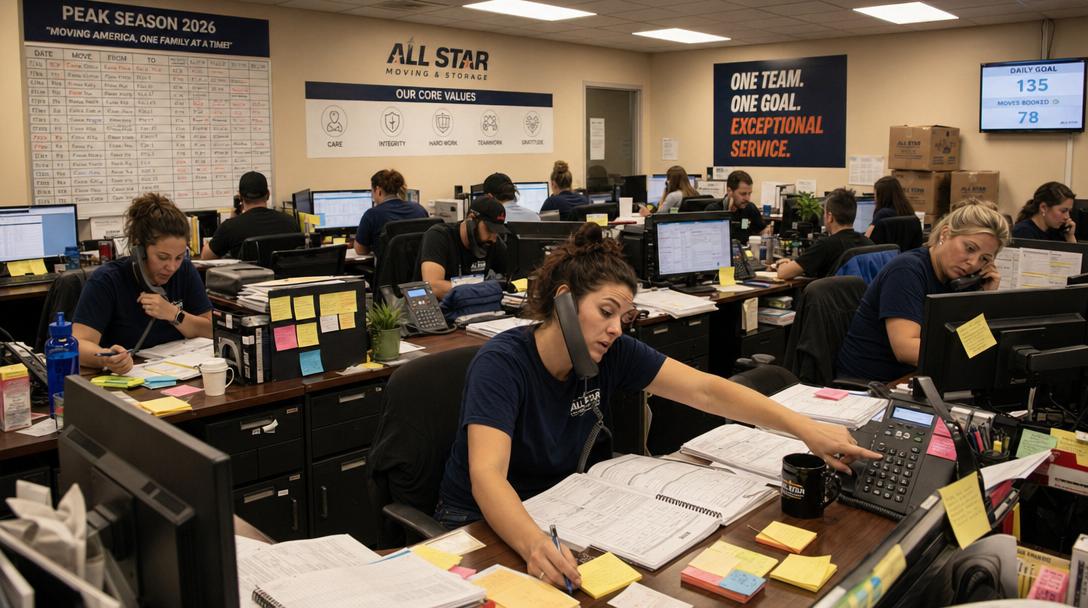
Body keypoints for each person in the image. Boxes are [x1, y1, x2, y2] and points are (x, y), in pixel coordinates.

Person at [436, 222, 881, 589]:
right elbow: (487, 475)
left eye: (623, 319)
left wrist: (803, 428)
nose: (614, 329)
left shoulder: (611, 353)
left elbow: (706, 390)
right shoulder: (503, 363)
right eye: (605, 311)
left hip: (561, 510)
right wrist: (534, 543)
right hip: (481, 523)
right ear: (564, 300)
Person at [836, 199, 1009, 383]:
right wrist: (968, 355)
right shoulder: (907, 271)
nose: (973, 263)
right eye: (969, 248)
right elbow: (906, 349)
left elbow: (977, 345)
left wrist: (984, 297)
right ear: (945, 234)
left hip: (921, 378)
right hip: (873, 387)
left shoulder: (961, 280)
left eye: (984, 259)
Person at [73, 193, 214, 375]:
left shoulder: (185, 271)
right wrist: (107, 358)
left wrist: (173, 314)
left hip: (178, 371)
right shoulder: (107, 280)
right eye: (162, 257)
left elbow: (211, 329)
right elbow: (78, 344)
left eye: (179, 257)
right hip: (128, 378)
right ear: (139, 250)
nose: (171, 267)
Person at [419, 196, 508, 299]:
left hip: (473, 307)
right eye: (489, 229)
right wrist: (483, 289)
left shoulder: (492, 242)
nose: (494, 238)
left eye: (497, 231)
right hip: (439, 308)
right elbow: (433, 287)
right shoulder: (438, 236)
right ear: (471, 218)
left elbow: (513, 277)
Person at [776, 188, 873, 279]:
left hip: (832, 296)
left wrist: (782, 263)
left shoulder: (826, 245)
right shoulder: (868, 243)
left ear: (830, 217)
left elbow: (783, 273)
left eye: (824, 213)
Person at [201, 171, 300, 260]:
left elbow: (206, 256)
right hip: (282, 280)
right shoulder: (290, 222)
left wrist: (233, 220)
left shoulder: (231, 227)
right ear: (268, 194)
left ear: (240, 197)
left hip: (250, 280)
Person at [353, 169, 427, 255]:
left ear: (378, 190)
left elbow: (360, 250)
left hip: (388, 268)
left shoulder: (372, 214)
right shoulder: (419, 209)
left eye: (372, 191)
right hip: (418, 267)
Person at [1011, 181, 1077, 243]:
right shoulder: (1023, 232)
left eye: (1069, 211)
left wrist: (1070, 236)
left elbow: (1075, 254)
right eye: (1063, 211)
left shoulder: (1056, 231)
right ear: (1043, 208)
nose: (1067, 217)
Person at [708, 170, 766, 234]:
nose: (748, 199)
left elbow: (762, 231)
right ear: (729, 191)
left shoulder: (750, 208)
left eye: (749, 193)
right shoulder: (713, 210)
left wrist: (765, 232)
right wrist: (728, 213)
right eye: (743, 194)